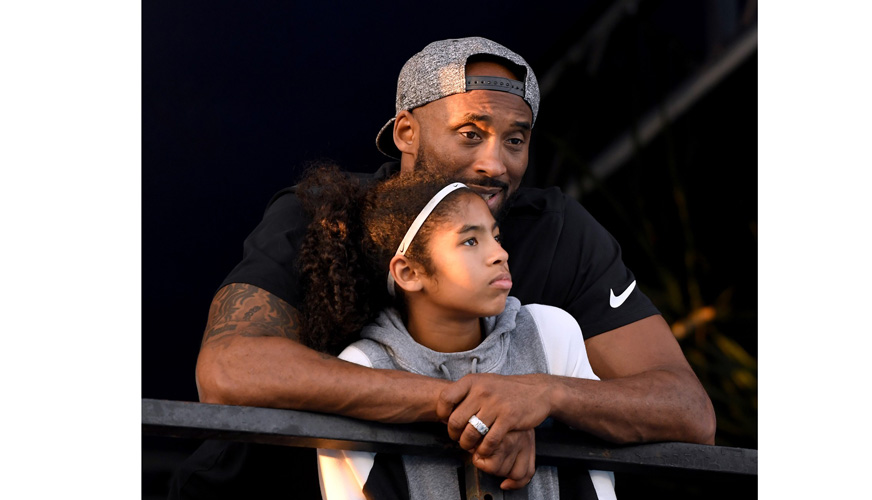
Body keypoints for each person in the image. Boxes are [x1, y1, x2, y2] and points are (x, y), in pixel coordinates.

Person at [174, 36, 714, 498]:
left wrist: (540, 394)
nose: (494, 163)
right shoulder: (322, 214)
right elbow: (229, 370)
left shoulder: (559, 231)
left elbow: (689, 412)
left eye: (516, 140)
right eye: (470, 133)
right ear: (406, 132)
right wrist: (461, 404)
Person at [300, 164, 615, 499]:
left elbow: (598, 479)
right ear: (408, 272)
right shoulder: (363, 366)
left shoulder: (549, 333)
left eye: (496, 236)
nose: (500, 254)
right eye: (470, 241)